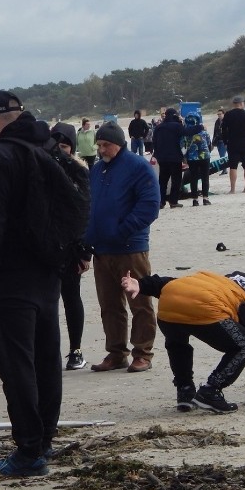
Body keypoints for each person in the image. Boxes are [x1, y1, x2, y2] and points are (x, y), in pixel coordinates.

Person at [0, 90, 62, 476]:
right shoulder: (47, 147)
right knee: (46, 359)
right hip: (49, 271)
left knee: (17, 365)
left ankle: (29, 450)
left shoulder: (0, 156)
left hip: (11, 276)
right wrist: (77, 253)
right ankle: (44, 441)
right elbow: (72, 200)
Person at [120, 270, 245, 414]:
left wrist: (140, 284)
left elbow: (165, 283)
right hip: (205, 309)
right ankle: (211, 390)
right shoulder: (243, 299)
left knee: (177, 344)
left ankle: (185, 391)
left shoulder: (208, 280)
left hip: (168, 308)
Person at [85, 121, 160, 373]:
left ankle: (143, 353)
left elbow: (150, 205)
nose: (101, 150)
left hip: (131, 247)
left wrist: (122, 230)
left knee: (139, 302)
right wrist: (87, 238)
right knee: (110, 305)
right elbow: (90, 205)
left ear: (119, 143)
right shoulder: (96, 170)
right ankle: (116, 353)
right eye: (99, 145)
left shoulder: (138, 167)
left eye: (106, 145)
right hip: (102, 249)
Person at [50, 122, 92, 370]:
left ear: (72, 149)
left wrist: (85, 252)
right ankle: (48, 351)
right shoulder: (42, 169)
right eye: (56, 146)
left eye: (64, 146)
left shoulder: (80, 172)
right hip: (48, 248)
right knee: (48, 302)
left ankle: (75, 350)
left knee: (71, 298)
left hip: (73, 248)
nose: (60, 151)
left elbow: (86, 214)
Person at [152, 108, 203, 209]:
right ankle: (173, 201)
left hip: (162, 158)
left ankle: (161, 202)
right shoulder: (176, 126)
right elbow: (187, 131)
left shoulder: (159, 127)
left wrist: (156, 155)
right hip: (175, 157)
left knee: (162, 180)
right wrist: (200, 127)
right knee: (176, 180)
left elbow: (154, 142)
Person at [221, 96, 245, 193]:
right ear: (242, 103)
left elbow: (224, 129)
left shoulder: (228, 114)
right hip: (244, 141)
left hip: (232, 142)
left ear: (234, 104)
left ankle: (233, 189)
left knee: (233, 166)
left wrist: (225, 142)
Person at [182, 115, 214, 206]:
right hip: (204, 157)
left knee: (194, 178)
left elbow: (183, 146)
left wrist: (185, 157)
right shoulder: (203, 132)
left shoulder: (185, 133)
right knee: (205, 177)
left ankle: (195, 199)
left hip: (192, 158)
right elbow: (209, 144)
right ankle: (205, 198)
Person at [211, 108, 228, 175]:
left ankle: (225, 169)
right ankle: (225, 169)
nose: (219, 115)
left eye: (220, 114)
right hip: (218, 141)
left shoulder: (227, 121)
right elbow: (215, 133)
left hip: (225, 141)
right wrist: (213, 143)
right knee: (221, 156)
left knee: (222, 156)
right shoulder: (217, 122)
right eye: (218, 114)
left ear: (223, 114)